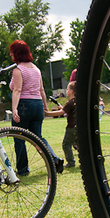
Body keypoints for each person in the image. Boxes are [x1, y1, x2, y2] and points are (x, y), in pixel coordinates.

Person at [9, 40, 64, 174]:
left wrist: (14, 109)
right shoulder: (36, 69)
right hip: (38, 104)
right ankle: (54, 160)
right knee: (37, 137)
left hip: (24, 105)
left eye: (11, 52)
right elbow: (41, 90)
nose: (10, 55)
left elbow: (17, 90)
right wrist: (45, 107)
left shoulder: (18, 69)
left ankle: (22, 170)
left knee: (19, 138)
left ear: (16, 53)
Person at [46, 80, 77, 168]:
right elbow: (68, 111)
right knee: (78, 144)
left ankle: (71, 163)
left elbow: (61, 113)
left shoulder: (70, 102)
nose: (66, 91)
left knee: (66, 144)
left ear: (71, 91)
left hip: (71, 128)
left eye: (67, 89)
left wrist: (47, 113)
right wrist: (62, 108)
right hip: (78, 127)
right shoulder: (76, 101)